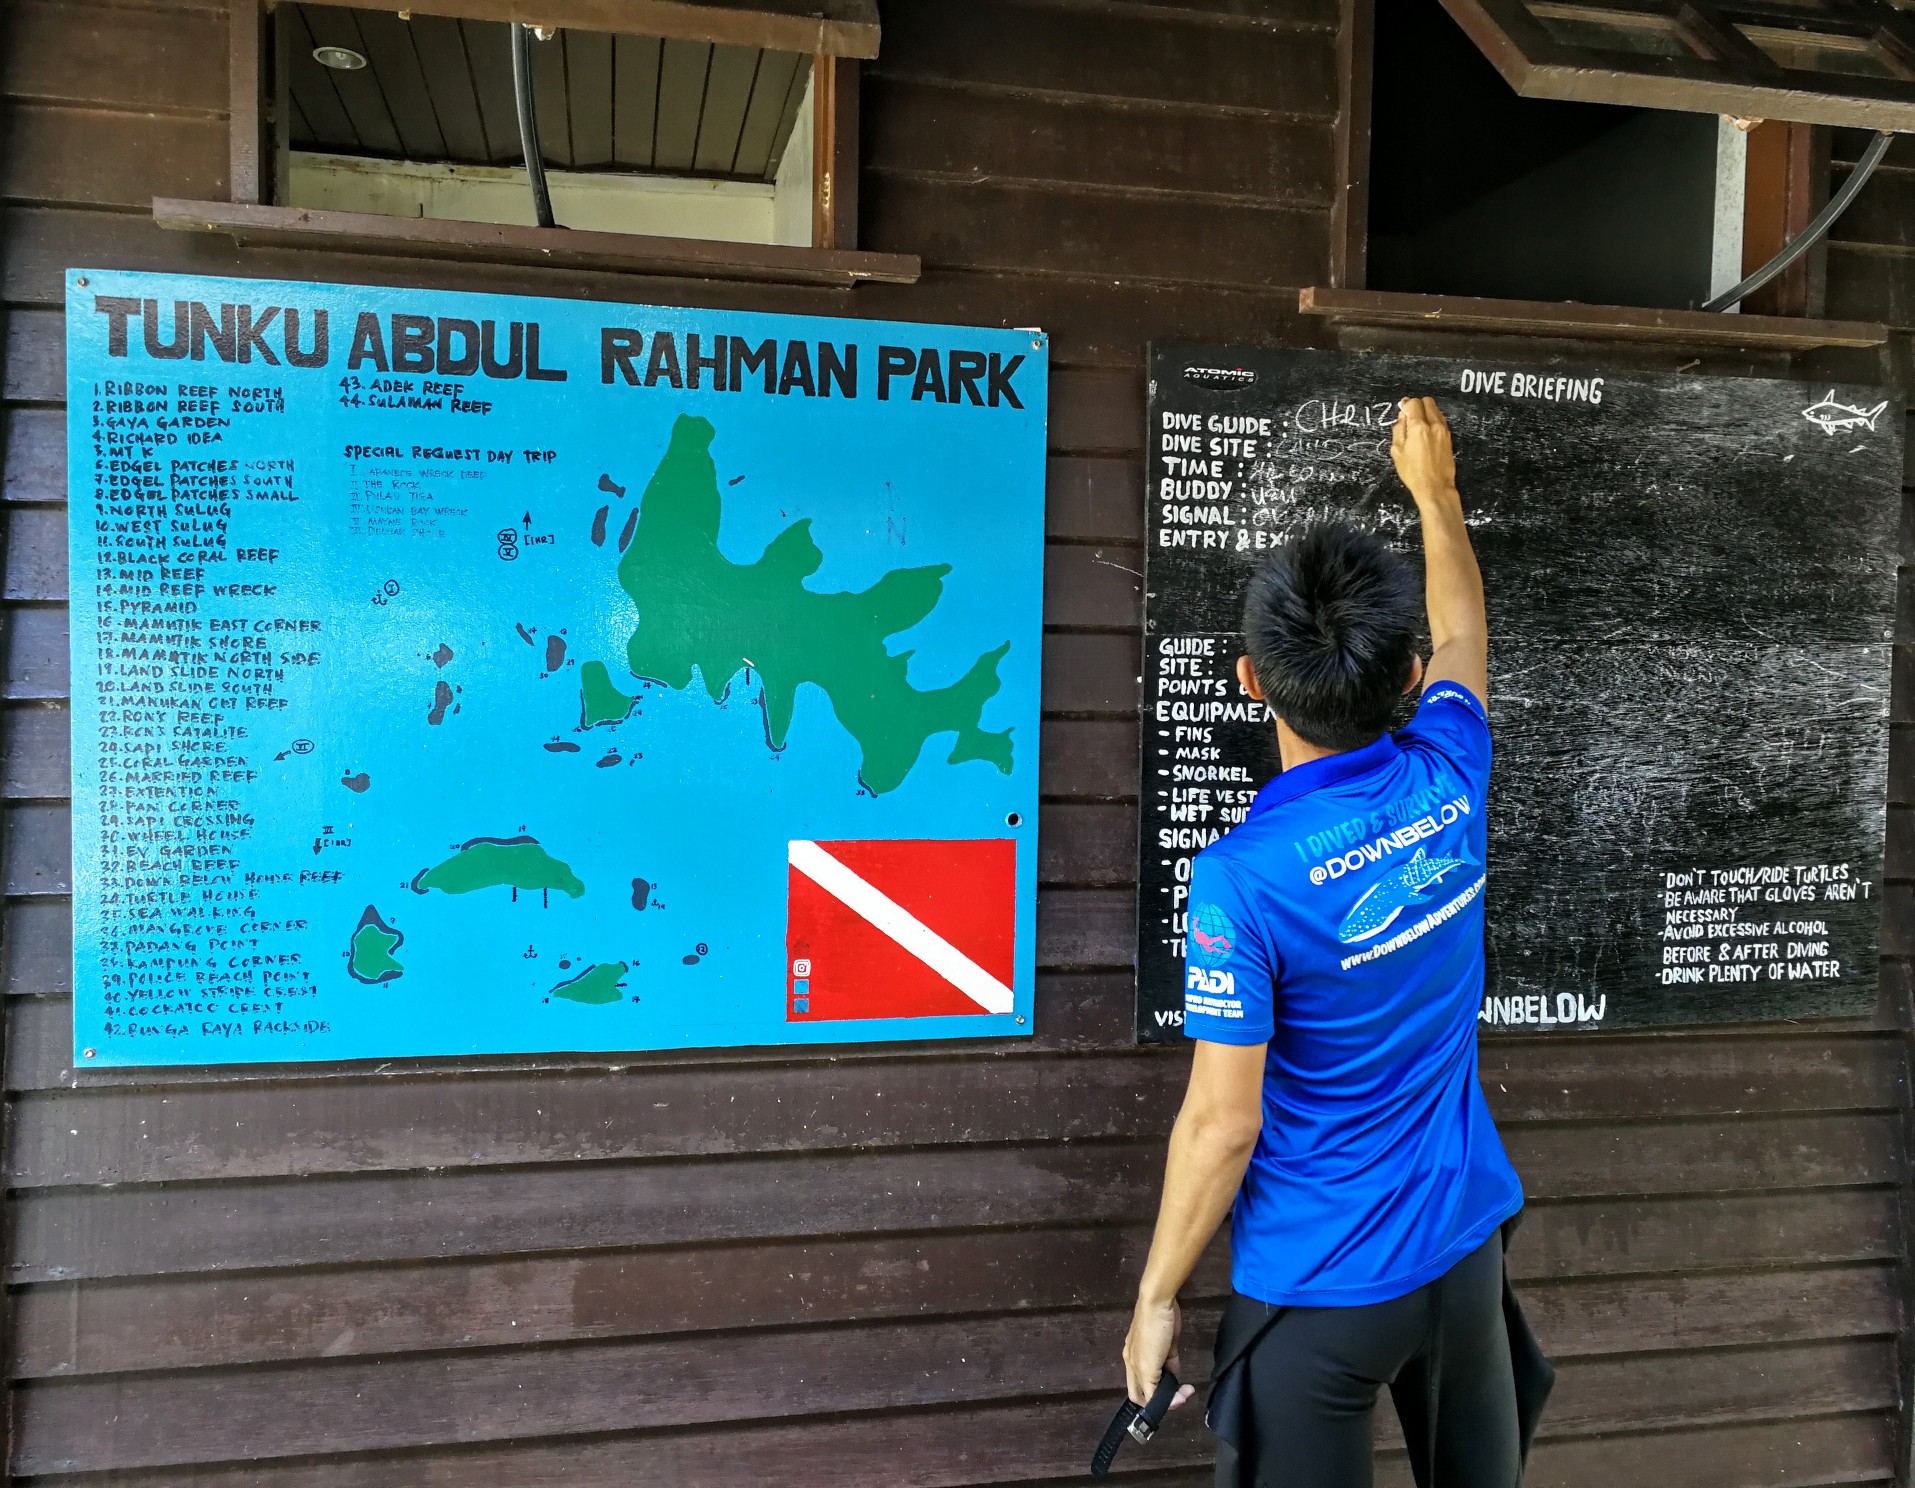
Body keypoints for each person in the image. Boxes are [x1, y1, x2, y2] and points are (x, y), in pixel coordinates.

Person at [1121, 397, 1549, 1487]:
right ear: (1406, 679)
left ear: (1249, 679)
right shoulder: (1447, 772)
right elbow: (1463, 633)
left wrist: (1157, 1295)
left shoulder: (1240, 883)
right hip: (1458, 1257)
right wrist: (1435, 495)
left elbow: (1223, 1123)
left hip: (1320, 1286)